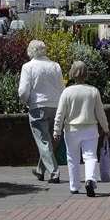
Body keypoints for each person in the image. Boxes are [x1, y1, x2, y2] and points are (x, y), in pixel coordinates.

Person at [54, 61, 110, 197]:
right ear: (86, 74)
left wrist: (56, 130)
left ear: (72, 73)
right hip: (90, 128)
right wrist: (106, 128)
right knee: (90, 156)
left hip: (71, 129)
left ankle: (74, 186)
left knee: (72, 157)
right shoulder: (93, 91)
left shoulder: (67, 92)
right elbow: (100, 113)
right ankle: (90, 179)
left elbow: (60, 113)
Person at [18, 40, 64, 183]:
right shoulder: (55, 66)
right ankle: (40, 170)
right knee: (49, 141)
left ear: (31, 51)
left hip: (38, 106)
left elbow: (23, 91)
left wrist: (25, 101)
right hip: (56, 106)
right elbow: (61, 87)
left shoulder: (28, 67)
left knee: (43, 140)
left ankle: (54, 172)